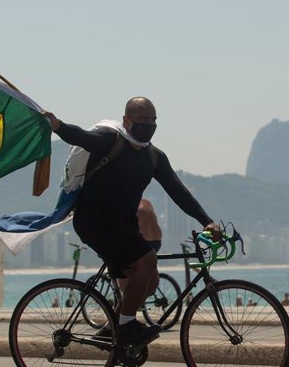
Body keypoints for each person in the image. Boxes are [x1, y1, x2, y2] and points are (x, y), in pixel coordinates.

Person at [43, 97, 220, 348]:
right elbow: (81, 137)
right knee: (147, 259)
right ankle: (126, 327)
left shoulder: (154, 157)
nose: (148, 125)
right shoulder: (111, 139)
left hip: (124, 224)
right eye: (142, 120)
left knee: (151, 280)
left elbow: (177, 190)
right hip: (94, 220)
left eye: (153, 120)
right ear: (127, 121)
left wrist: (207, 221)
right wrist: (58, 125)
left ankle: (112, 327)